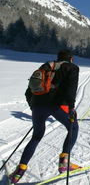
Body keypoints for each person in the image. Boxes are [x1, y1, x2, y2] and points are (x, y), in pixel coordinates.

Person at [9, 50, 80, 184]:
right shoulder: (72, 68)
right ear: (71, 59)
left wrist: (33, 106)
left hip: (38, 105)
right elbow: (71, 88)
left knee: (36, 136)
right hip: (57, 104)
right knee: (73, 128)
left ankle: (20, 170)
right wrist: (71, 107)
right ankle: (64, 162)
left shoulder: (46, 66)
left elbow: (29, 89)